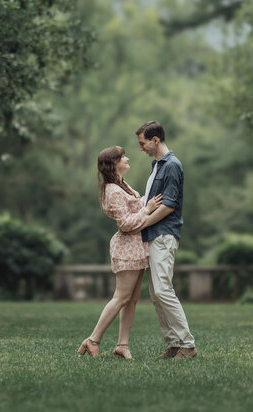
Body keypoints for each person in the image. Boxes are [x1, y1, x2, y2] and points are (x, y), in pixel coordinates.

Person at [77, 146, 163, 360]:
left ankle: (122, 345)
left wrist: (146, 203)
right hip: (127, 248)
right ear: (113, 163)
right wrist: (147, 209)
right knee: (121, 296)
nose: (127, 158)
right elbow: (124, 223)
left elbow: (134, 209)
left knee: (132, 299)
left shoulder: (121, 186)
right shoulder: (113, 190)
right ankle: (93, 340)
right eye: (123, 157)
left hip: (137, 246)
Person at [136, 120, 197, 359]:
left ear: (155, 140)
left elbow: (169, 206)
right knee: (155, 294)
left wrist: (141, 222)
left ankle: (188, 345)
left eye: (143, 144)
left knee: (163, 290)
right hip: (153, 235)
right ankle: (174, 344)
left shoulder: (172, 165)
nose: (141, 149)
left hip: (164, 235)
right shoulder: (157, 166)